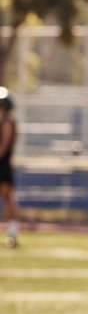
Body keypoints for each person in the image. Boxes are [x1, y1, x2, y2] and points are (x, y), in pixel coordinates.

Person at [0, 88, 19, 248]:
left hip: (2, 166)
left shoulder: (7, 122)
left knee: (7, 197)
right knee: (8, 199)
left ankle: (13, 233)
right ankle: (12, 233)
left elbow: (4, 145)